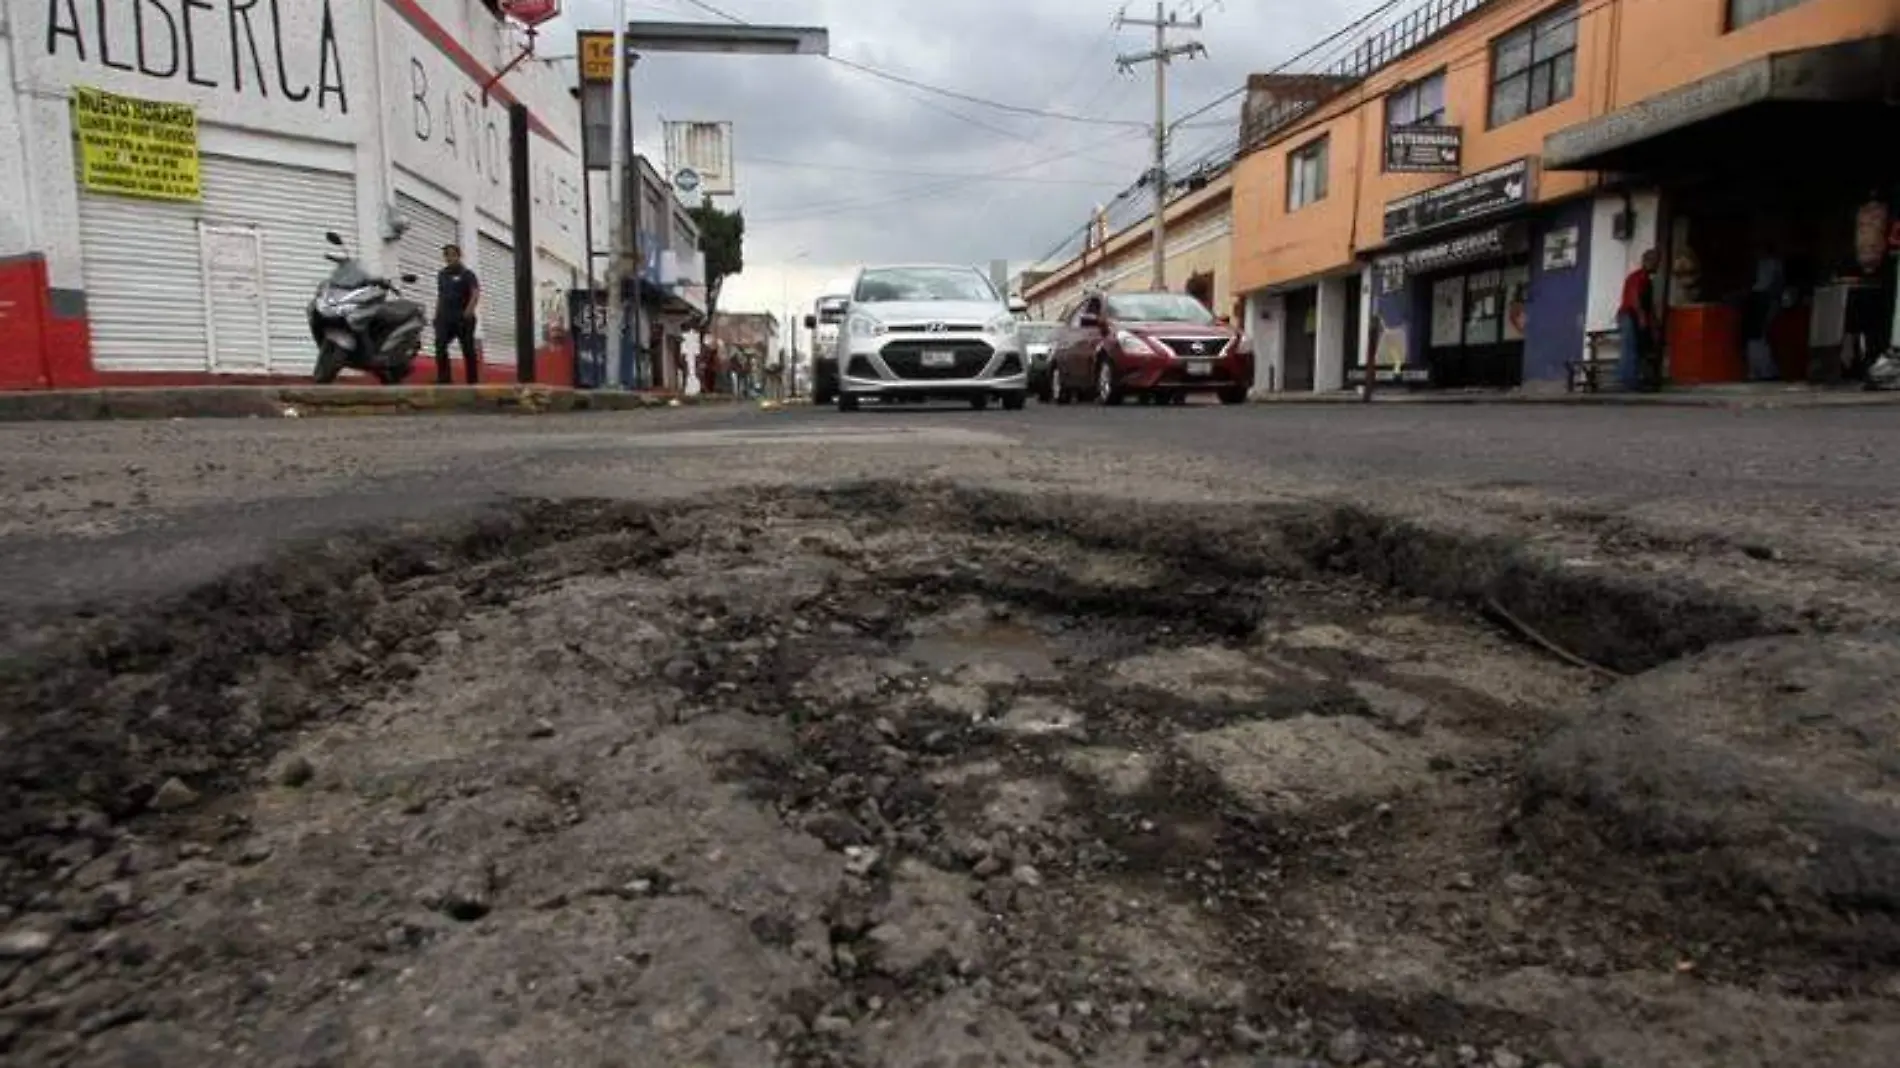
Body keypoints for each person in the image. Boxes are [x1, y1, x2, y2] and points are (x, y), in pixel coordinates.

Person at [434, 244, 481, 385]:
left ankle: (472, 382)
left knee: (467, 349)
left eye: (452, 255)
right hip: (445, 318)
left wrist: (469, 310)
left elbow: (475, 293)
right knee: (440, 344)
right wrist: (436, 314)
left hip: (463, 317)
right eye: (446, 255)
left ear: (458, 256)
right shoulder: (442, 275)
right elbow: (440, 295)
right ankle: (444, 379)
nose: (449, 258)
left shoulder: (467, 274)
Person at [1617, 249, 1658, 391]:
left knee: (1639, 348)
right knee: (1630, 347)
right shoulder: (1638, 277)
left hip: (1635, 315)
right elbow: (1635, 298)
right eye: (1655, 261)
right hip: (1629, 314)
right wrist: (1642, 318)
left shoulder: (1647, 280)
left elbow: (1649, 304)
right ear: (1647, 261)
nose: (1658, 264)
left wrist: (1653, 321)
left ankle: (1636, 379)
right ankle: (1629, 381)